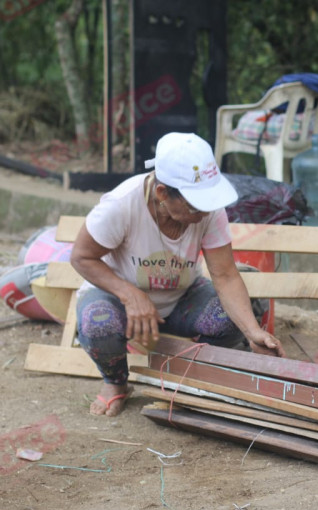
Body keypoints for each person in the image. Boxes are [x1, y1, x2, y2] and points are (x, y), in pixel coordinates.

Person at [70, 132, 285, 416]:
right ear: (162, 193)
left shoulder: (208, 211)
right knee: (98, 322)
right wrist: (129, 294)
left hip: (181, 298)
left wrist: (253, 331)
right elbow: (81, 257)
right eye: (194, 205)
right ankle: (116, 382)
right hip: (118, 301)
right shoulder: (121, 204)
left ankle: (190, 377)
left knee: (227, 320)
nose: (203, 213)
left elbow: (226, 275)